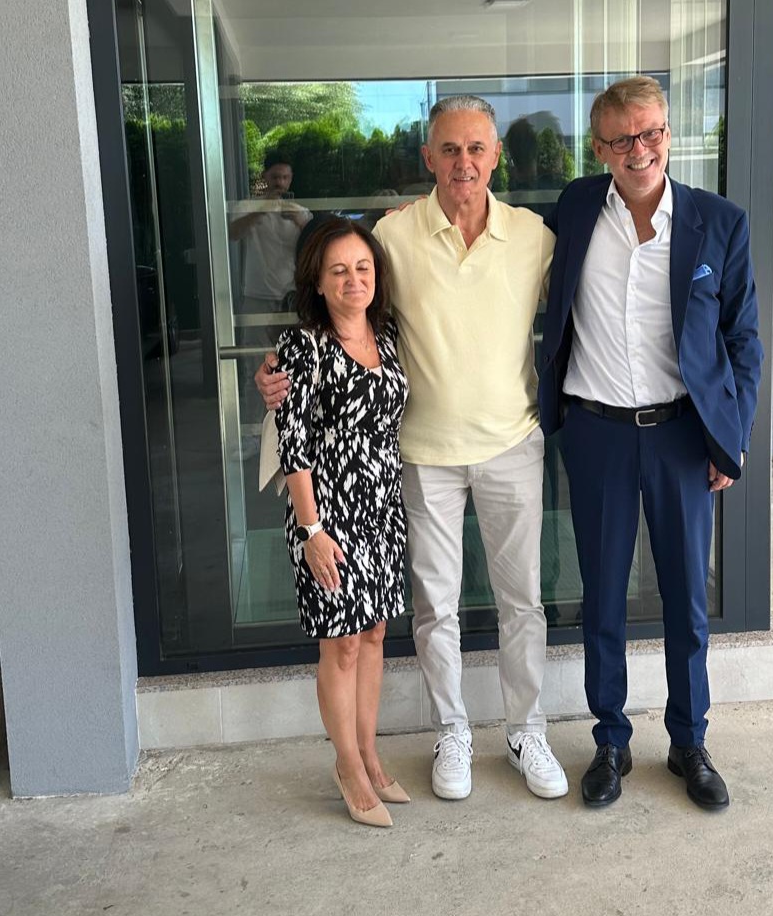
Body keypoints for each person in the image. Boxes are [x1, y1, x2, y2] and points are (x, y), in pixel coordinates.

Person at [259, 97, 568, 802]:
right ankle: (451, 732)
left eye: (477, 148)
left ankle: (527, 731)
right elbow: (335, 303)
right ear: (429, 158)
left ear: (496, 156)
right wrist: (275, 369)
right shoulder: (392, 237)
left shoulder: (533, 237)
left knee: (523, 603)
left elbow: (591, 305)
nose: (464, 163)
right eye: (449, 149)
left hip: (512, 444)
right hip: (423, 454)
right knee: (435, 608)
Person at [539, 76, 764, 811]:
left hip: (680, 437)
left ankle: (689, 741)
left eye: (652, 133)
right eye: (622, 139)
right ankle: (610, 740)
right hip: (597, 434)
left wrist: (730, 437)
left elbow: (742, 340)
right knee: (602, 597)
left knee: (686, 601)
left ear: (669, 132)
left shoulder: (718, 222)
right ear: (599, 148)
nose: (640, 150)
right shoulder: (576, 209)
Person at [274, 217, 410, 828]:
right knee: (342, 642)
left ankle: (370, 754)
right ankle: (348, 767)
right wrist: (311, 532)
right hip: (326, 515)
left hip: (382, 509)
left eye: (362, 267)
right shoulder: (301, 347)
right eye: (339, 271)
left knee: (375, 633)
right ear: (318, 282)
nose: (354, 279)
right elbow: (293, 445)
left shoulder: (390, 334)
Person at [230, 153, 312, 320]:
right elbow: (233, 234)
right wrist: (262, 210)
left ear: (291, 179)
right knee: (255, 338)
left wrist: (300, 222)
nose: (279, 182)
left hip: (293, 293)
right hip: (257, 294)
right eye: (275, 177)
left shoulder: (301, 212)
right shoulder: (247, 206)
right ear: (264, 177)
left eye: (285, 177)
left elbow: (316, 245)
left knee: (295, 337)